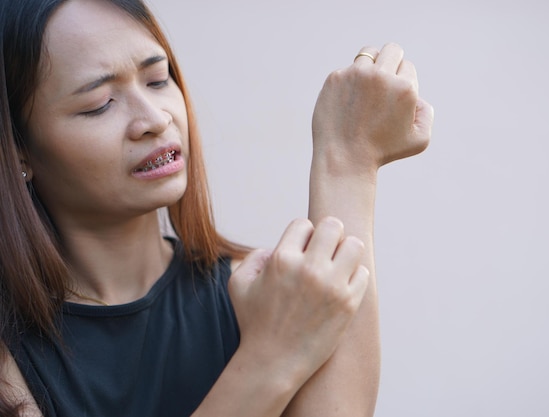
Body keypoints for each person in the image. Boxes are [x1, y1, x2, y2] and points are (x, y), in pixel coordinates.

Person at [0, 0, 434, 416]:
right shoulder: (11, 351)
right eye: (99, 104)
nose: (155, 117)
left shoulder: (260, 290)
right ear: (19, 151)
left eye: (157, 79)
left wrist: (349, 160)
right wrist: (271, 357)